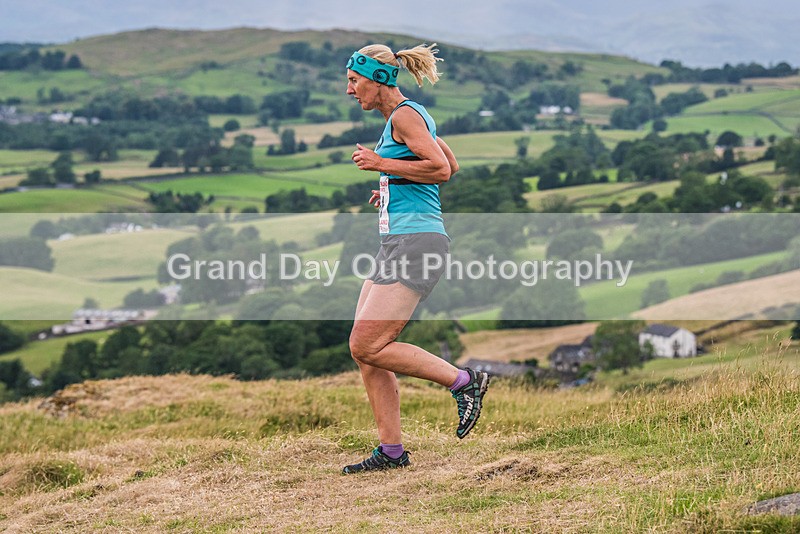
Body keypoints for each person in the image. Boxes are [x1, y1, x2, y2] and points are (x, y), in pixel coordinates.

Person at [342, 43, 490, 474]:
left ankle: (464, 382)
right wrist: (391, 186)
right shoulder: (408, 116)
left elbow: (441, 170)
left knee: (367, 343)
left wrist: (381, 164)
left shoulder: (404, 116)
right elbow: (451, 163)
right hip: (398, 240)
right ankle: (391, 452)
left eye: (354, 81)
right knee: (365, 352)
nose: (351, 91)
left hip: (417, 243)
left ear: (379, 78)